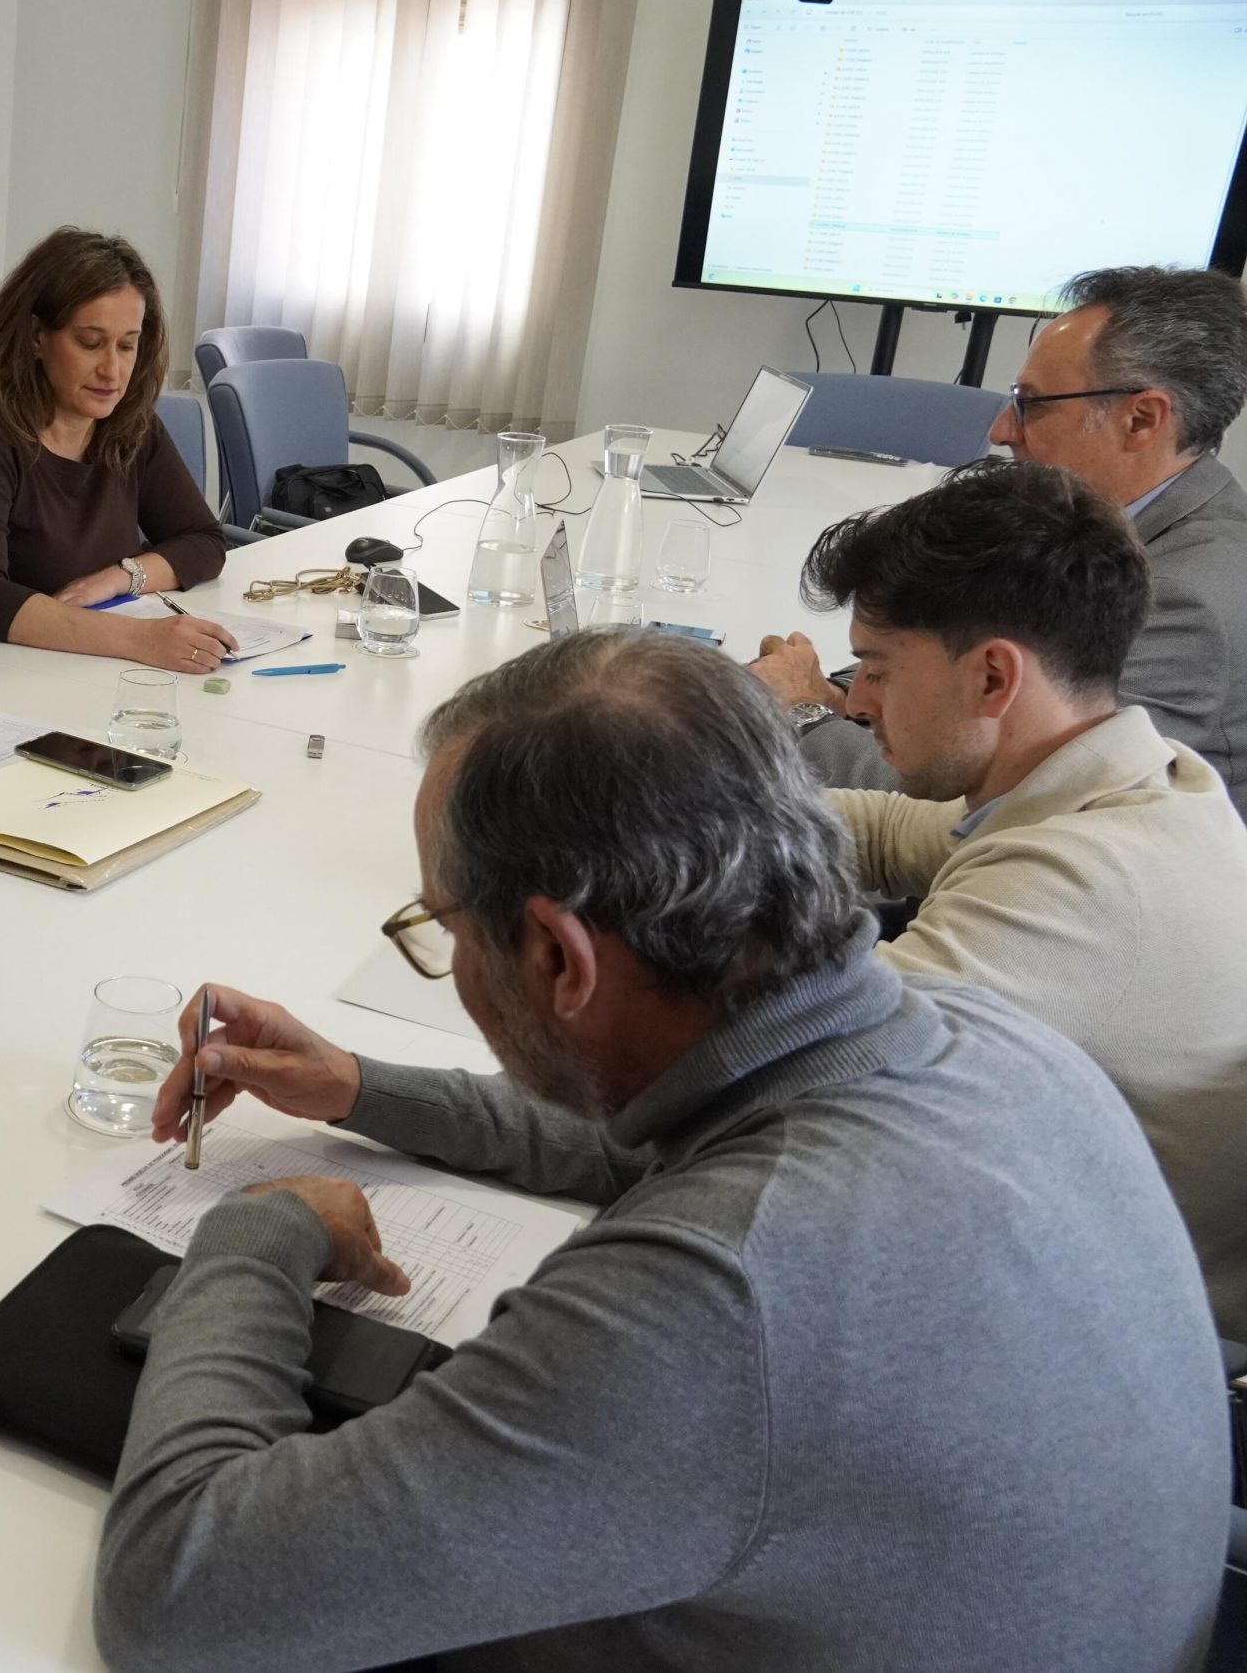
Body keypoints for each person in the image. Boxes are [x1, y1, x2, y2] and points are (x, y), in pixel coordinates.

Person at [92, 628, 1227, 1672]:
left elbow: (179, 1598)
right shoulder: (976, 1037)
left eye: (443, 925)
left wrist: (262, 1227)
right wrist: (360, 1088)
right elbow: (650, 1126)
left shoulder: (720, 1295)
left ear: (555, 957)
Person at [795, 459, 1247, 1334]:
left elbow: (803, 1079)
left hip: (1100, 1332)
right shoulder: (1147, 782)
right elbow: (888, 833)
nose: (857, 700)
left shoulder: (1078, 883)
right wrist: (686, 811)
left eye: (879, 670)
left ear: (994, 678)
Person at [754, 264, 1247, 810]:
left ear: (1141, 419)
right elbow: (955, 650)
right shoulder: (1090, 524)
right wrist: (842, 694)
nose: (1000, 431)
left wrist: (803, 716)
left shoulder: (1188, 599)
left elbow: (999, 802)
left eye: (1030, 404)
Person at [0, 228, 237, 673]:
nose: (113, 369)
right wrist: (139, 638)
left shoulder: (130, 424)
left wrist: (119, 578)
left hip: (83, 665)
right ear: (36, 337)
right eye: (89, 342)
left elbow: (203, 541)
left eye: (127, 345)